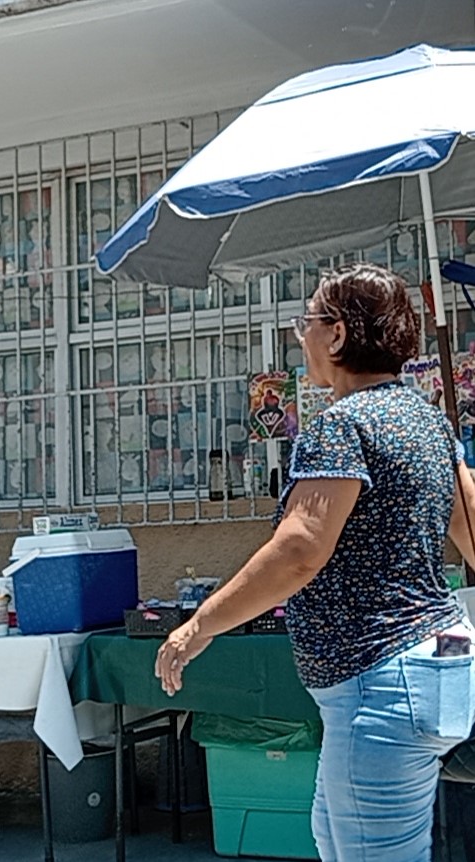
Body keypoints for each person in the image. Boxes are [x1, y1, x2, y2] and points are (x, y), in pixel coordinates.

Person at [154, 262, 475, 861]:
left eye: (306, 321)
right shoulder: (429, 420)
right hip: (439, 664)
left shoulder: (340, 425)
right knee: (334, 840)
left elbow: (300, 550)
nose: (299, 335)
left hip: (379, 680)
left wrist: (199, 626)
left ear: (337, 335)